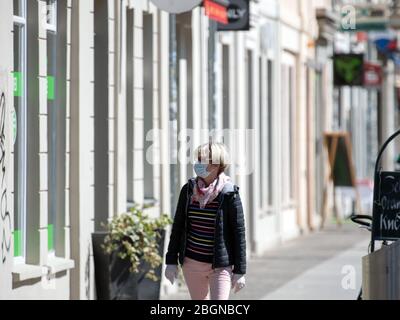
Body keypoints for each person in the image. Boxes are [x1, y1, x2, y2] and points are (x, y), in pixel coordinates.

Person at [164, 142, 246, 300]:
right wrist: (171, 261)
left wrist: (240, 270)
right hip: (191, 263)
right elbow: (178, 226)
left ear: (216, 164)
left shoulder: (229, 193)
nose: (197, 164)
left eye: (202, 160)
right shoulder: (188, 190)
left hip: (220, 267)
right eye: (198, 159)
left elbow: (239, 233)